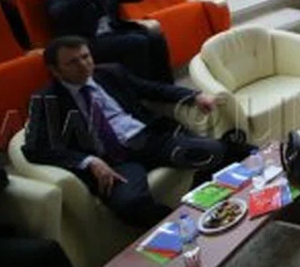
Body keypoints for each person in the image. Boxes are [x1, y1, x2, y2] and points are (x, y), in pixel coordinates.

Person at [22, 36, 227, 227]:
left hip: (149, 140)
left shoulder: (110, 72)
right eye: (72, 62)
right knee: (129, 204)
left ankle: (205, 203)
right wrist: (88, 161)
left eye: (85, 56)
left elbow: (152, 88)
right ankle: (183, 225)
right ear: (55, 70)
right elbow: (34, 148)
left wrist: (194, 96)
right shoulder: (46, 99)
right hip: (115, 162)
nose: (83, 65)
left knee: (214, 149)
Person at [46, 0, 173, 83]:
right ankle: (138, 89)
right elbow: (60, 15)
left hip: (114, 30)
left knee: (155, 38)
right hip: (86, 39)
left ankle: (165, 85)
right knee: (136, 42)